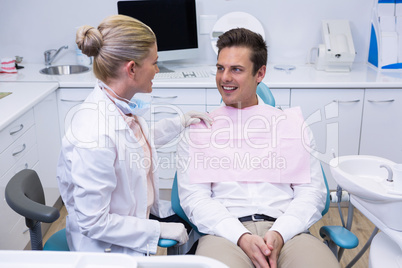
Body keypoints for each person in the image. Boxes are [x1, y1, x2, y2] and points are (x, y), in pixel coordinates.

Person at [177, 28, 340, 268]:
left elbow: (312, 193)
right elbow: (195, 198)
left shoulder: (291, 126)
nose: (224, 78)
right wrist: (241, 236)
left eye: (236, 69)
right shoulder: (199, 130)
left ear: (260, 73)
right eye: (221, 68)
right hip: (225, 234)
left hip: (288, 232)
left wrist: (280, 233)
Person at [56, 15, 211, 256]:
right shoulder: (94, 135)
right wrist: (155, 230)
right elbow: (93, 222)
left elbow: (134, 144)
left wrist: (179, 122)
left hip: (131, 222)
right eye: (155, 62)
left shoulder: (119, 104)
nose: (158, 70)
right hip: (107, 251)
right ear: (132, 68)